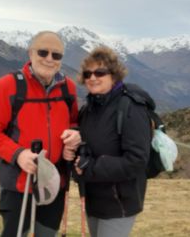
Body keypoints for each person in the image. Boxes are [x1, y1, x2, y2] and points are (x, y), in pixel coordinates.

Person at [0, 31, 81, 237]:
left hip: (55, 182)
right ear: (30, 53)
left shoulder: (67, 87)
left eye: (56, 55)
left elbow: (74, 122)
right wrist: (18, 154)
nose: (49, 59)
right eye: (43, 52)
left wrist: (76, 135)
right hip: (19, 184)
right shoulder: (10, 85)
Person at [63, 46, 151, 237]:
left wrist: (90, 167)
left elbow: (136, 160)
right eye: (88, 74)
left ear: (114, 75)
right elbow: (89, 146)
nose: (93, 78)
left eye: (100, 72)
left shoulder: (130, 107)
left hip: (120, 202)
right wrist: (74, 150)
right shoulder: (88, 109)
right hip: (93, 200)